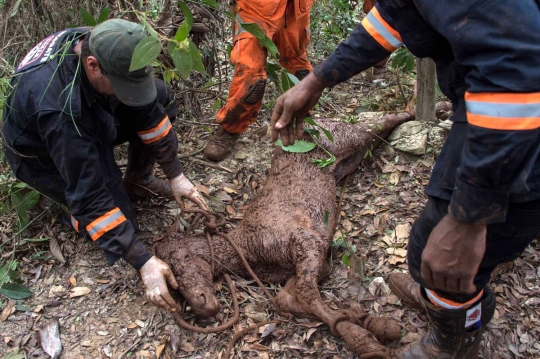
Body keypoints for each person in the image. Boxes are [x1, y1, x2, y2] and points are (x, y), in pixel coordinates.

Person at [270, 0, 540, 357]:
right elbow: (395, 16)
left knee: (447, 252)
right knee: (436, 254)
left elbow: (518, 75)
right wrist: (319, 79)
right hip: (496, 97)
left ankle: (453, 340)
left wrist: (470, 219)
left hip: (520, 111)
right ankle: (443, 299)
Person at [1, 19, 210, 312]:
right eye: (122, 84)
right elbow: (91, 196)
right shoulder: (60, 111)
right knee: (121, 222)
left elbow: (147, 110)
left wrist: (176, 175)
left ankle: (138, 179)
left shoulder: (108, 42)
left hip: (92, 116)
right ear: (92, 65)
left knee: (158, 96)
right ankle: (66, 211)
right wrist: (143, 261)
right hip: (44, 157)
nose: (129, 89)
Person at [203, 0, 313, 162]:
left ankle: (303, 119)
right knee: (250, 73)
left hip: (296, 7)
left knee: (298, 66)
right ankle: (231, 128)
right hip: (254, 7)